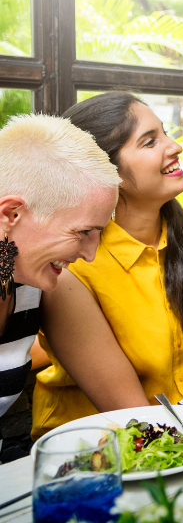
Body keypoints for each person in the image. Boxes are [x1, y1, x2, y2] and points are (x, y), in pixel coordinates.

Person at [32, 92, 183, 439]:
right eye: (150, 142)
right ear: (107, 172)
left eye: (164, 133)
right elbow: (132, 414)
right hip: (100, 451)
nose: (174, 146)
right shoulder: (71, 268)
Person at [0, 114, 119, 461]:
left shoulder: (36, 281)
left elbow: (131, 411)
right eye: (83, 232)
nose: (91, 254)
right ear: (11, 214)